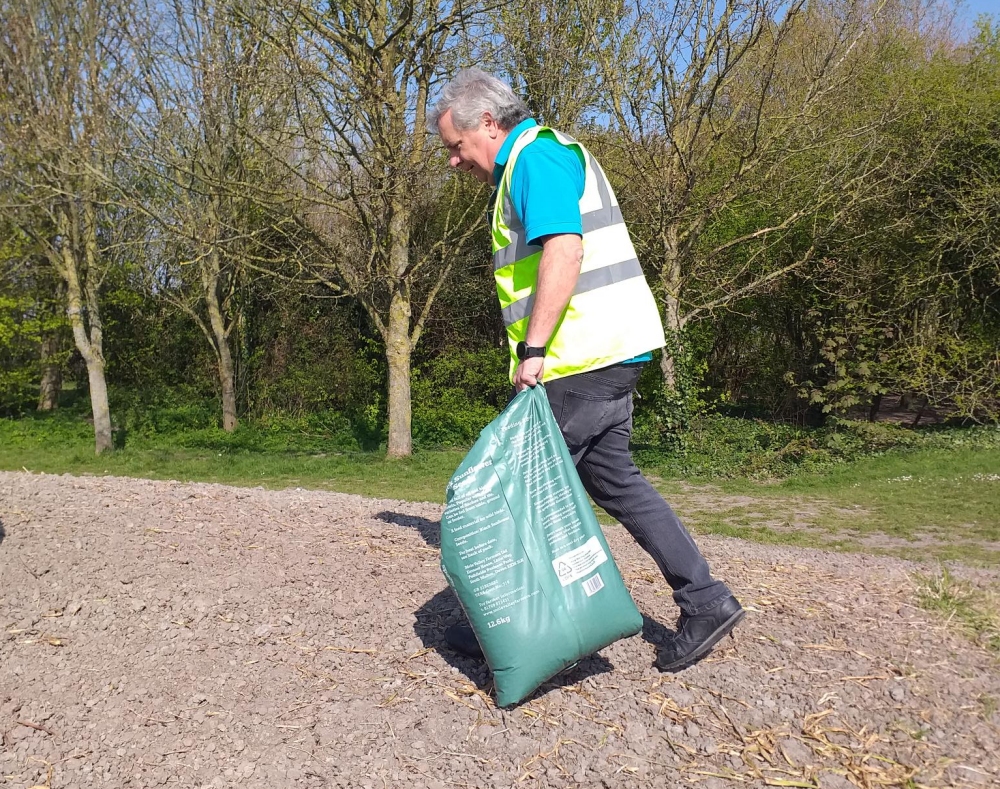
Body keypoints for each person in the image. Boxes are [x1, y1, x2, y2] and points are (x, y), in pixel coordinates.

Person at [430, 68, 743, 672]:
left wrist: (533, 349)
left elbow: (564, 249)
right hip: (609, 355)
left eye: (455, 146)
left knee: (516, 494)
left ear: (487, 125)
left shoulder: (536, 160)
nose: (453, 161)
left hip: (580, 359)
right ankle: (705, 600)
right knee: (614, 481)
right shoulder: (539, 159)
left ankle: (507, 626)